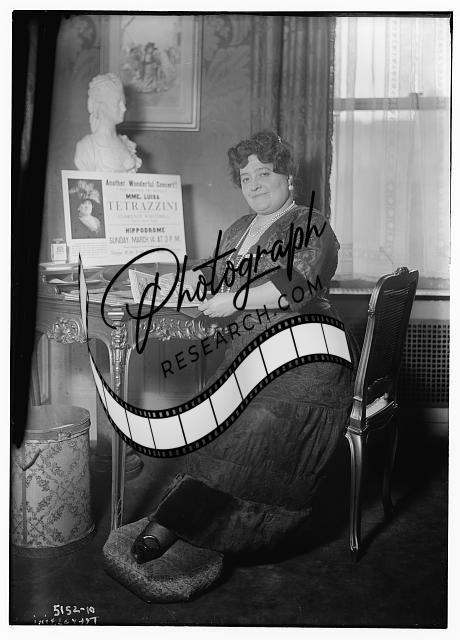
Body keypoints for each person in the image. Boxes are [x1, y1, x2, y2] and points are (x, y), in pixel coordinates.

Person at [131, 130, 356, 564]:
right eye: (246, 176)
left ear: (288, 177)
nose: (253, 184)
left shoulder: (311, 222)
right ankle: (190, 520)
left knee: (256, 419)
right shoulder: (240, 228)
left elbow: (295, 287)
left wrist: (233, 301)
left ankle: (197, 527)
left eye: (264, 173)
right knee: (213, 415)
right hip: (251, 351)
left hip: (307, 353)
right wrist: (162, 284)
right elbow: (208, 275)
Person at [74, 73, 142, 173]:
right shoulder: (87, 148)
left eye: (124, 103)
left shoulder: (127, 144)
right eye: (118, 103)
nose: (124, 108)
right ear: (102, 106)